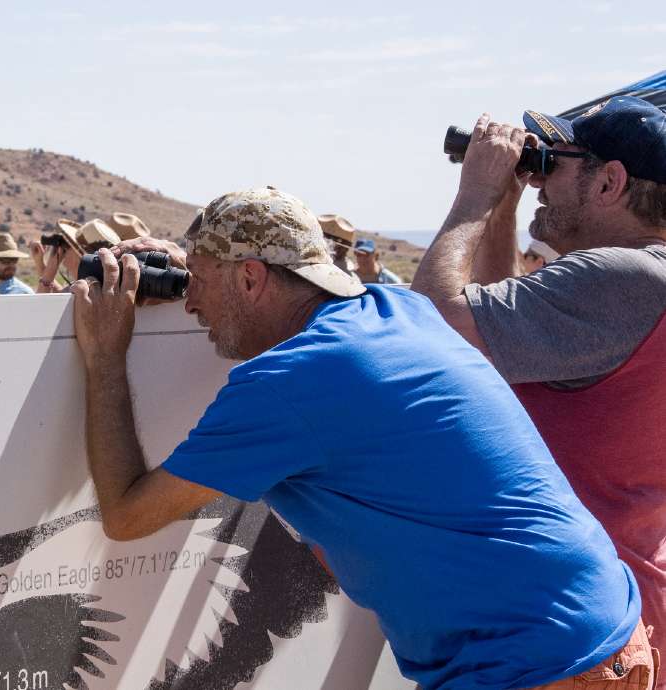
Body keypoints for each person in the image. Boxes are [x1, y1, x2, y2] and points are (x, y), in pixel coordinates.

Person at [71, 185, 650, 690]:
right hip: (605, 632)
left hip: (530, 668)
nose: (188, 300)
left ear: (250, 277)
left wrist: (104, 357)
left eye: (196, 282)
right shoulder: (400, 311)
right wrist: (196, 260)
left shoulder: (291, 381)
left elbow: (127, 515)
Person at [411, 96, 666, 683]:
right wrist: (504, 212)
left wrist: (474, 196)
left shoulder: (624, 277)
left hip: (560, 630)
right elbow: (504, 345)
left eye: (559, 161)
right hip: (613, 610)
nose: (541, 180)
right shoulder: (641, 285)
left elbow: (429, 327)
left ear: (610, 182)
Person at [33, 219, 120, 293]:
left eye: (68, 245)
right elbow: (61, 293)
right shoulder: (101, 287)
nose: (63, 250)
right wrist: (42, 264)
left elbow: (38, 308)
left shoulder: (84, 291)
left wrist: (49, 271)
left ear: (79, 255)